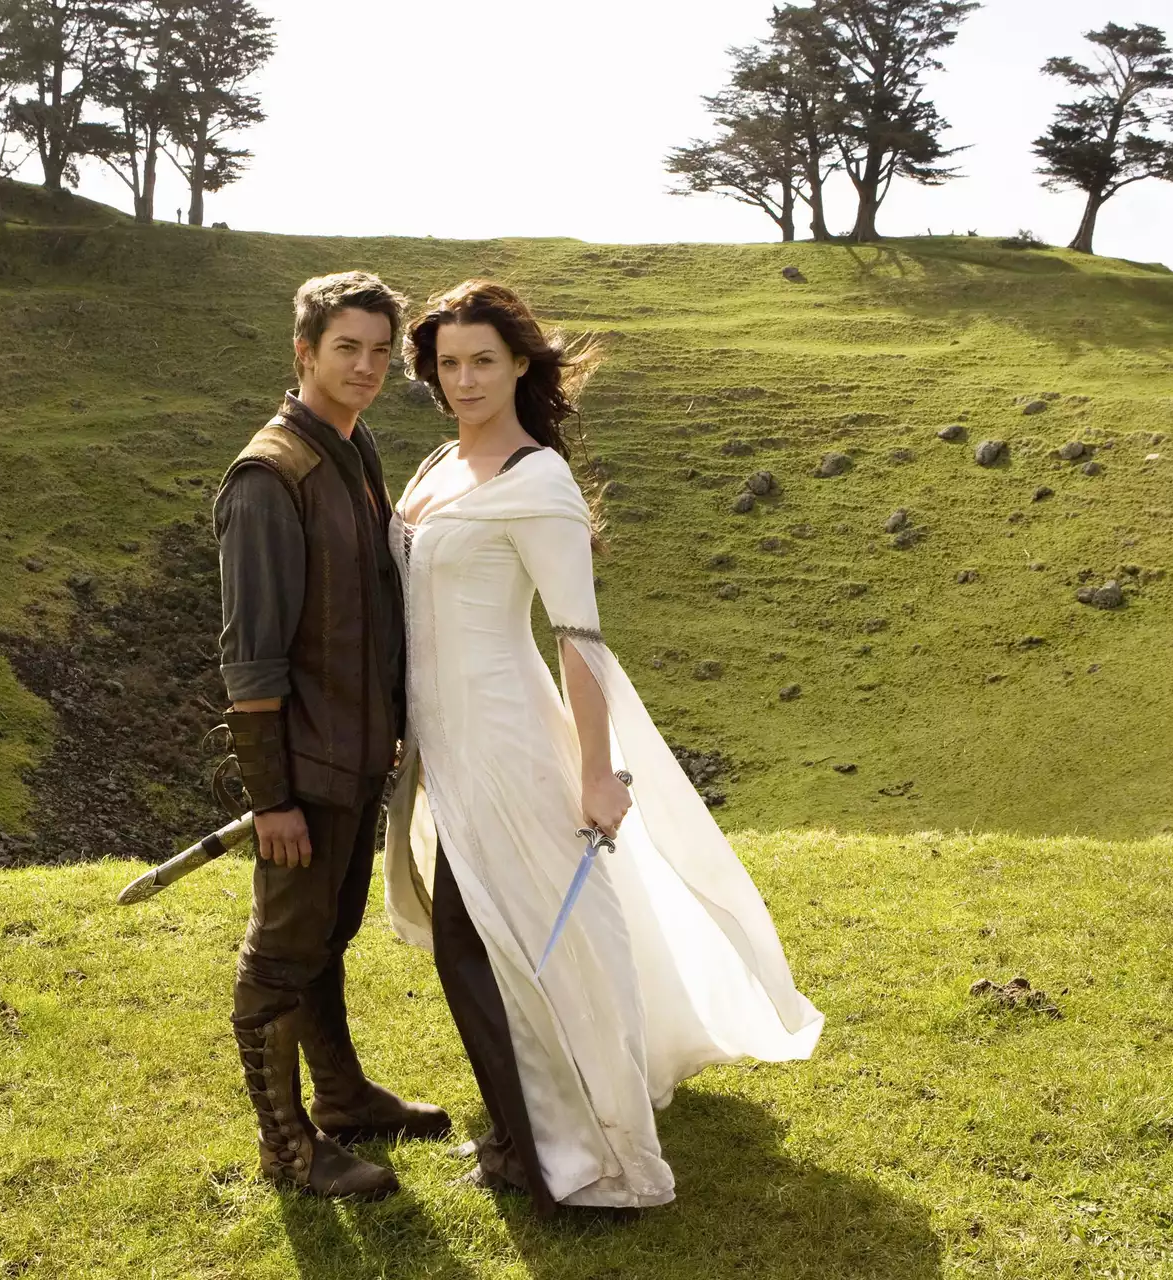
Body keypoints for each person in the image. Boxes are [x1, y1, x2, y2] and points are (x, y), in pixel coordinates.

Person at [381, 281, 824, 1215]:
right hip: (439, 743)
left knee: (491, 941)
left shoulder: (538, 479)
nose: (464, 380)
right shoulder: (438, 464)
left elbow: (577, 636)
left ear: (520, 365)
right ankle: (524, 1130)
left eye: (484, 361)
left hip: (503, 739)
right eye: (449, 363)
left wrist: (594, 772)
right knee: (477, 942)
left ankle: (558, 1151)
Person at [212, 271, 451, 1200]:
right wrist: (271, 798)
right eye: (346, 347)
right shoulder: (270, 477)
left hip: (355, 756)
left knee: (326, 934)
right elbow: (252, 660)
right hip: (305, 770)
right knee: (280, 954)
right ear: (304, 351)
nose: (366, 366)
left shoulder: (354, 447)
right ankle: (287, 1150)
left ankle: (343, 1099)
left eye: (380, 351)